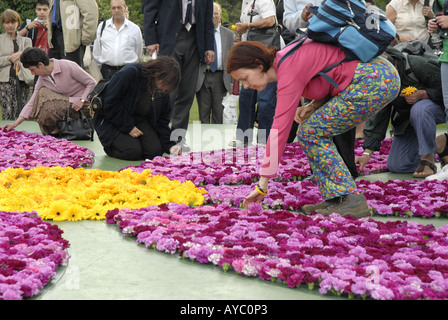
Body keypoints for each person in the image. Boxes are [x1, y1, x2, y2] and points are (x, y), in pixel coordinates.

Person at [229, 41, 400, 218]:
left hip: (374, 79)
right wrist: (313, 105)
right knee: (310, 131)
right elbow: (331, 73)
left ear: (258, 64)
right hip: (378, 75)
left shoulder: (287, 69)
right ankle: (337, 198)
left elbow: (279, 130)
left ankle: (350, 199)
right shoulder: (286, 62)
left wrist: (262, 184)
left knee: (310, 132)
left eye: (244, 78)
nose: (246, 86)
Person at [282, 0, 359, 178]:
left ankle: (347, 168)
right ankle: (319, 170)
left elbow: (353, 12)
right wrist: (302, 16)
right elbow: (288, 21)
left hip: (339, 46)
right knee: (312, 109)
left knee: (341, 106)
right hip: (308, 48)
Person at [357, 46, 448, 180]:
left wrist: (424, 94)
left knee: (420, 108)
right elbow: (380, 116)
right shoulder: (383, 81)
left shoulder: (417, 65)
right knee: (398, 165)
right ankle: (440, 143)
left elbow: (445, 90)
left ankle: (427, 157)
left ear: (393, 64)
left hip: (435, 109)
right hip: (409, 121)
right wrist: (366, 153)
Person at [143, 0, 215, 152]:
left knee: (187, 93)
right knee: (166, 91)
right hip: (169, 39)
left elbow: (208, 17)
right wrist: (151, 39)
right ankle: (158, 136)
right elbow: (149, 9)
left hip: (195, 40)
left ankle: (178, 139)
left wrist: (209, 46)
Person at [94, 56, 182, 161]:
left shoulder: (163, 91)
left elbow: (162, 121)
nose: (166, 89)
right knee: (132, 152)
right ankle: (111, 148)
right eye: (166, 83)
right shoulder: (131, 73)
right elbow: (110, 103)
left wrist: (170, 145)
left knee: (155, 152)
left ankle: (136, 144)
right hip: (112, 119)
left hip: (139, 120)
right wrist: (128, 127)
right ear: (157, 73)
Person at [2, 47, 96, 135]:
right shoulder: (42, 78)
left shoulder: (67, 66)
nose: (32, 73)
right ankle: (56, 129)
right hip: (67, 105)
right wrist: (15, 124)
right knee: (40, 99)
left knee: (44, 95)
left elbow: (91, 82)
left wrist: (82, 100)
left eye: (33, 70)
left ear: (40, 65)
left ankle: (62, 127)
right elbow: (32, 101)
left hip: (83, 106)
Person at [229, 0, 278, 147]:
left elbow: (271, 20)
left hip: (265, 58)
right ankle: (243, 137)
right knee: (245, 98)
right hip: (249, 57)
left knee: (265, 101)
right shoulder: (245, 3)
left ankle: (264, 139)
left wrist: (248, 26)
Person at [195, 2, 234, 124]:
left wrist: (232, 82)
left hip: (221, 78)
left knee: (219, 114)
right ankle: (203, 141)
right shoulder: (199, 33)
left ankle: (218, 142)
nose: (213, 16)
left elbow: (231, 60)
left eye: (216, 13)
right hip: (203, 76)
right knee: (203, 114)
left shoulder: (228, 34)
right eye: (211, 14)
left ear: (220, 15)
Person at [92, 0, 143, 81]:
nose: (116, 10)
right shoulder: (102, 27)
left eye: (119, 7)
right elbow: (97, 52)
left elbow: (138, 52)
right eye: (114, 8)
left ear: (125, 8)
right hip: (107, 73)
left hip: (128, 72)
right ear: (111, 10)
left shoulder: (134, 29)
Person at [0, 9, 33, 120]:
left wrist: (21, 55)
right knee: (7, 113)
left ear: (18, 23)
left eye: (13, 22)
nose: (10, 25)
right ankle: (7, 136)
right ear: (3, 24)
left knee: (23, 112)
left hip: (23, 81)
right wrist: (10, 58)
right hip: (5, 82)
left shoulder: (26, 41)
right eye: (7, 22)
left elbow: (31, 59)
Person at [48, 0, 98, 67]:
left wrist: (85, 38)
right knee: (54, 71)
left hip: (72, 39)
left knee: (71, 72)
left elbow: (91, 12)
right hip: (54, 35)